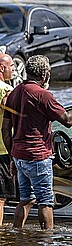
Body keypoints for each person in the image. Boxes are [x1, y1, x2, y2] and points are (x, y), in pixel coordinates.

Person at [1, 55, 72, 230]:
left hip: (19, 157)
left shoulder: (15, 92)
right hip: (38, 157)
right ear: (46, 74)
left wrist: (12, 156)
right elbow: (69, 120)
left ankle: (17, 235)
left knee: (26, 199)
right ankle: (47, 243)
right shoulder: (42, 95)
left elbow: (5, 130)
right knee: (46, 202)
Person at [0, 54, 14, 225]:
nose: (14, 69)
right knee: (1, 198)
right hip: (2, 149)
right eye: (12, 65)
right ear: (2, 68)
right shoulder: (6, 89)